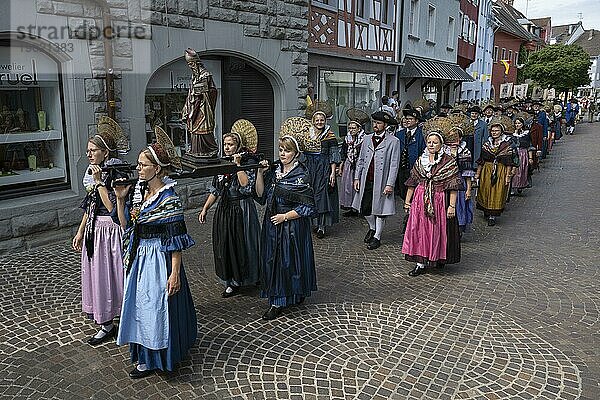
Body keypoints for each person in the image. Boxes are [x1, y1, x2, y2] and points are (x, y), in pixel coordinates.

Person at [114, 126, 197, 379]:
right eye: (138, 164)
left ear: (157, 168)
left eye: (143, 165)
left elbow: (176, 240)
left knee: (158, 309)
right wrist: (119, 199)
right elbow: (126, 224)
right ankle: (145, 359)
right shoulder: (140, 193)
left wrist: (174, 274)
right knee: (141, 308)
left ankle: (161, 359)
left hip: (160, 259)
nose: (138, 169)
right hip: (141, 258)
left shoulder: (169, 198)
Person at [72, 116, 127, 346]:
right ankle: (105, 323)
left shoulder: (116, 171)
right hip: (95, 230)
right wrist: (80, 231)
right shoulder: (93, 171)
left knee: (114, 274)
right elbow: (90, 204)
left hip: (111, 230)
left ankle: (123, 317)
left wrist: (100, 182)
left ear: (105, 152)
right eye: (88, 150)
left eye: (93, 150)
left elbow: (112, 207)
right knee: (98, 275)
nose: (89, 154)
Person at [255, 123, 317, 320]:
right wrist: (259, 173)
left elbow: (308, 207)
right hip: (272, 224)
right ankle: (280, 297)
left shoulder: (301, 175)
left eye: (287, 150)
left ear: (296, 153)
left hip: (291, 224)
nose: (282, 154)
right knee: (272, 261)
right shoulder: (274, 172)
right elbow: (261, 196)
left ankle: (287, 297)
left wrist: (285, 217)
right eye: (281, 149)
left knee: (290, 262)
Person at [198, 122, 260, 297]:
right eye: (225, 144)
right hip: (225, 209)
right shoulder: (221, 163)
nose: (227, 147)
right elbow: (216, 190)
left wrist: (238, 165)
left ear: (238, 145)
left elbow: (246, 186)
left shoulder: (248, 162)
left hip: (242, 208)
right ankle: (231, 281)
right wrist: (205, 208)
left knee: (245, 243)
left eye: (230, 144)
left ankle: (251, 277)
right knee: (226, 244)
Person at [402, 128, 462, 277]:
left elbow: (453, 185)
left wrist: (452, 206)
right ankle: (420, 262)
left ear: (441, 144)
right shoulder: (420, 160)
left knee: (437, 230)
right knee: (419, 230)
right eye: (429, 142)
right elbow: (412, 182)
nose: (431, 145)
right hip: (420, 199)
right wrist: (407, 202)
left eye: (435, 142)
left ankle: (437, 257)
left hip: (439, 199)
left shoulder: (448, 162)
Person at [352, 111, 400, 250]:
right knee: (365, 208)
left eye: (378, 123)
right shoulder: (367, 138)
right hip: (367, 178)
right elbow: (360, 160)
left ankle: (377, 237)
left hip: (382, 181)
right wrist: (357, 177)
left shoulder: (393, 141)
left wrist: (390, 184)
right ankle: (372, 228)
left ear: (385, 125)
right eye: (374, 122)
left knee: (380, 210)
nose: (375, 125)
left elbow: (394, 164)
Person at [304, 102, 341, 238]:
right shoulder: (307, 134)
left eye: (322, 120)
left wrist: (333, 172)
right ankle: (309, 222)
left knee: (322, 196)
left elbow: (333, 155)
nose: (320, 122)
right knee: (309, 194)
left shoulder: (330, 135)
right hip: (309, 167)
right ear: (313, 121)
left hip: (323, 168)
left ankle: (321, 226)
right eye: (317, 120)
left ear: (325, 121)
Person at [475, 119, 518, 226]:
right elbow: (481, 160)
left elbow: (509, 162)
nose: (494, 132)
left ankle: (492, 215)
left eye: (497, 130)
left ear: (501, 132)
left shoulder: (506, 145)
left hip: (500, 170)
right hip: (487, 169)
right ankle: (486, 208)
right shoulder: (486, 144)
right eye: (493, 130)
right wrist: (478, 174)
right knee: (485, 189)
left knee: (497, 191)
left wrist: (508, 176)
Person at [182, 48, 219, 157]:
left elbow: (211, 90)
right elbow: (192, 92)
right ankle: (196, 150)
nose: (190, 67)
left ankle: (211, 149)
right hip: (194, 104)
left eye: (191, 64)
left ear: (196, 63)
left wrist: (201, 95)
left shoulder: (205, 75)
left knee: (203, 129)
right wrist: (188, 108)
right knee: (194, 129)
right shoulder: (194, 76)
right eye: (189, 64)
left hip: (203, 107)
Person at [444, 117, 474, 234]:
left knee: (459, 204)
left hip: (459, 182)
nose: (453, 140)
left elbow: (467, 173)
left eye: (456, 137)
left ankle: (458, 229)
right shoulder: (442, 150)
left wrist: (468, 190)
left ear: (460, 138)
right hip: (445, 181)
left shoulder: (465, 151)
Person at [339, 108, 370, 216]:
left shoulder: (364, 139)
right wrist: (342, 163)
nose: (351, 130)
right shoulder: (347, 138)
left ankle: (360, 208)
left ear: (358, 128)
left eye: (353, 128)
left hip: (360, 165)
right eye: (350, 128)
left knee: (360, 186)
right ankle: (352, 208)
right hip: (349, 164)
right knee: (348, 187)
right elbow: (343, 151)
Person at [510, 117, 534, 194]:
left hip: (523, 153)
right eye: (516, 123)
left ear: (522, 124)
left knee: (522, 170)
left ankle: (520, 185)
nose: (517, 125)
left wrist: (530, 158)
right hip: (513, 153)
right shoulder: (512, 134)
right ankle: (512, 187)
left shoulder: (526, 134)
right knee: (514, 170)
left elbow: (529, 146)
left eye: (519, 123)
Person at [466, 106, 489, 171]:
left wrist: (484, 147)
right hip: (467, 144)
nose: (474, 115)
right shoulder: (466, 123)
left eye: (476, 114)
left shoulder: (483, 124)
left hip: (478, 145)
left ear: (478, 115)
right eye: (472, 113)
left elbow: (485, 137)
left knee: (476, 159)